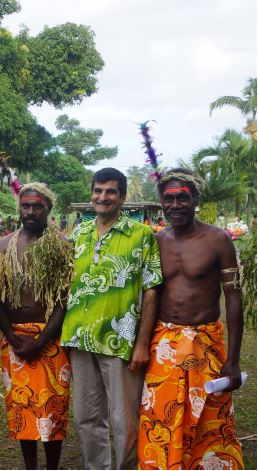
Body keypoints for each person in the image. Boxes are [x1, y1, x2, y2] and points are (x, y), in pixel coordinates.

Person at [137, 169, 244, 469]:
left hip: (205, 344)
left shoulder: (218, 240)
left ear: (195, 198)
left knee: (210, 420)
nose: (175, 205)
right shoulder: (157, 240)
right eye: (168, 199)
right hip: (165, 346)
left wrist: (233, 360)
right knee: (161, 416)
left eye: (182, 198)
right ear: (160, 202)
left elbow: (234, 299)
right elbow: (149, 294)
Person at [59, 168, 163, 469]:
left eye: (110, 191)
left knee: (124, 419)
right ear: (91, 193)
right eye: (98, 190)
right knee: (86, 417)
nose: (103, 197)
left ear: (122, 196)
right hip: (79, 337)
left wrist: (142, 343)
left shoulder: (141, 235)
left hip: (120, 340)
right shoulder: (79, 233)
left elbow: (152, 290)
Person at [0, 183, 73, 470]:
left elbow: (65, 301)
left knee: (54, 406)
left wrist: (41, 341)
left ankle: (51, 466)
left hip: (51, 339)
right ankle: (30, 466)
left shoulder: (62, 246)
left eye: (37, 206)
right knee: (22, 408)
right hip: (15, 339)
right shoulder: (3, 247)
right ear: (19, 208)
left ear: (48, 209)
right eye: (25, 206)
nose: (30, 211)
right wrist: (12, 337)